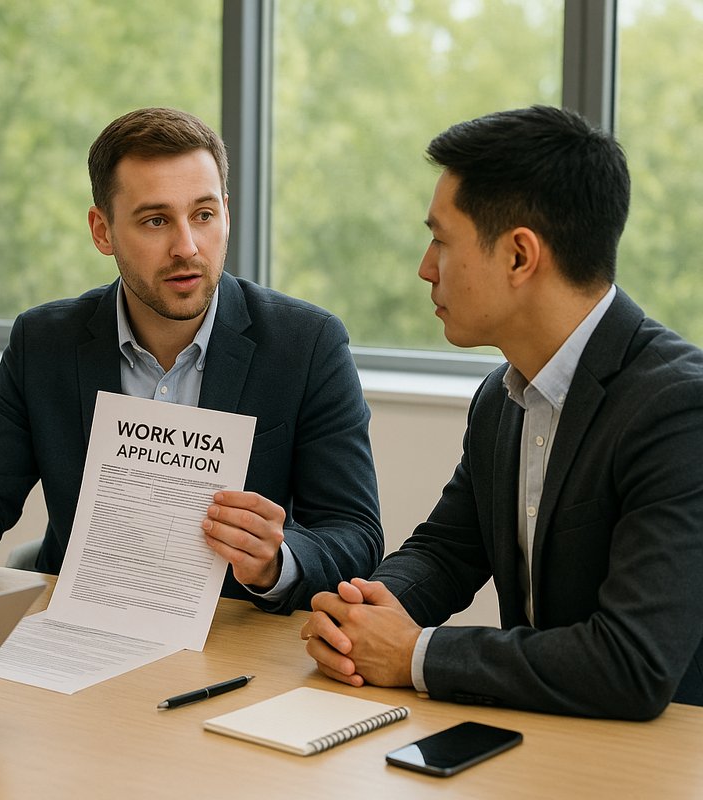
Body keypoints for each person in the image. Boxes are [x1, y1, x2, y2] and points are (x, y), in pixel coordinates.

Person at [301, 105, 703, 719]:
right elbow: (447, 550)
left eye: (440, 239)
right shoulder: (502, 397)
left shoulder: (678, 409)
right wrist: (362, 611)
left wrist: (414, 655)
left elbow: (633, 661)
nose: (425, 266)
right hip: (541, 738)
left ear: (519, 256)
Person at [0, 107, 382, 613]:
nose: (187, 246)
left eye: (203, 215)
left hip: (231, 640)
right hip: (81, 626)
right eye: (156, 220)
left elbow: (355, 534)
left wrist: (277, 559)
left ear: (226, 212)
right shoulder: (43, 342)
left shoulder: (306, 345)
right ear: (102, 231)